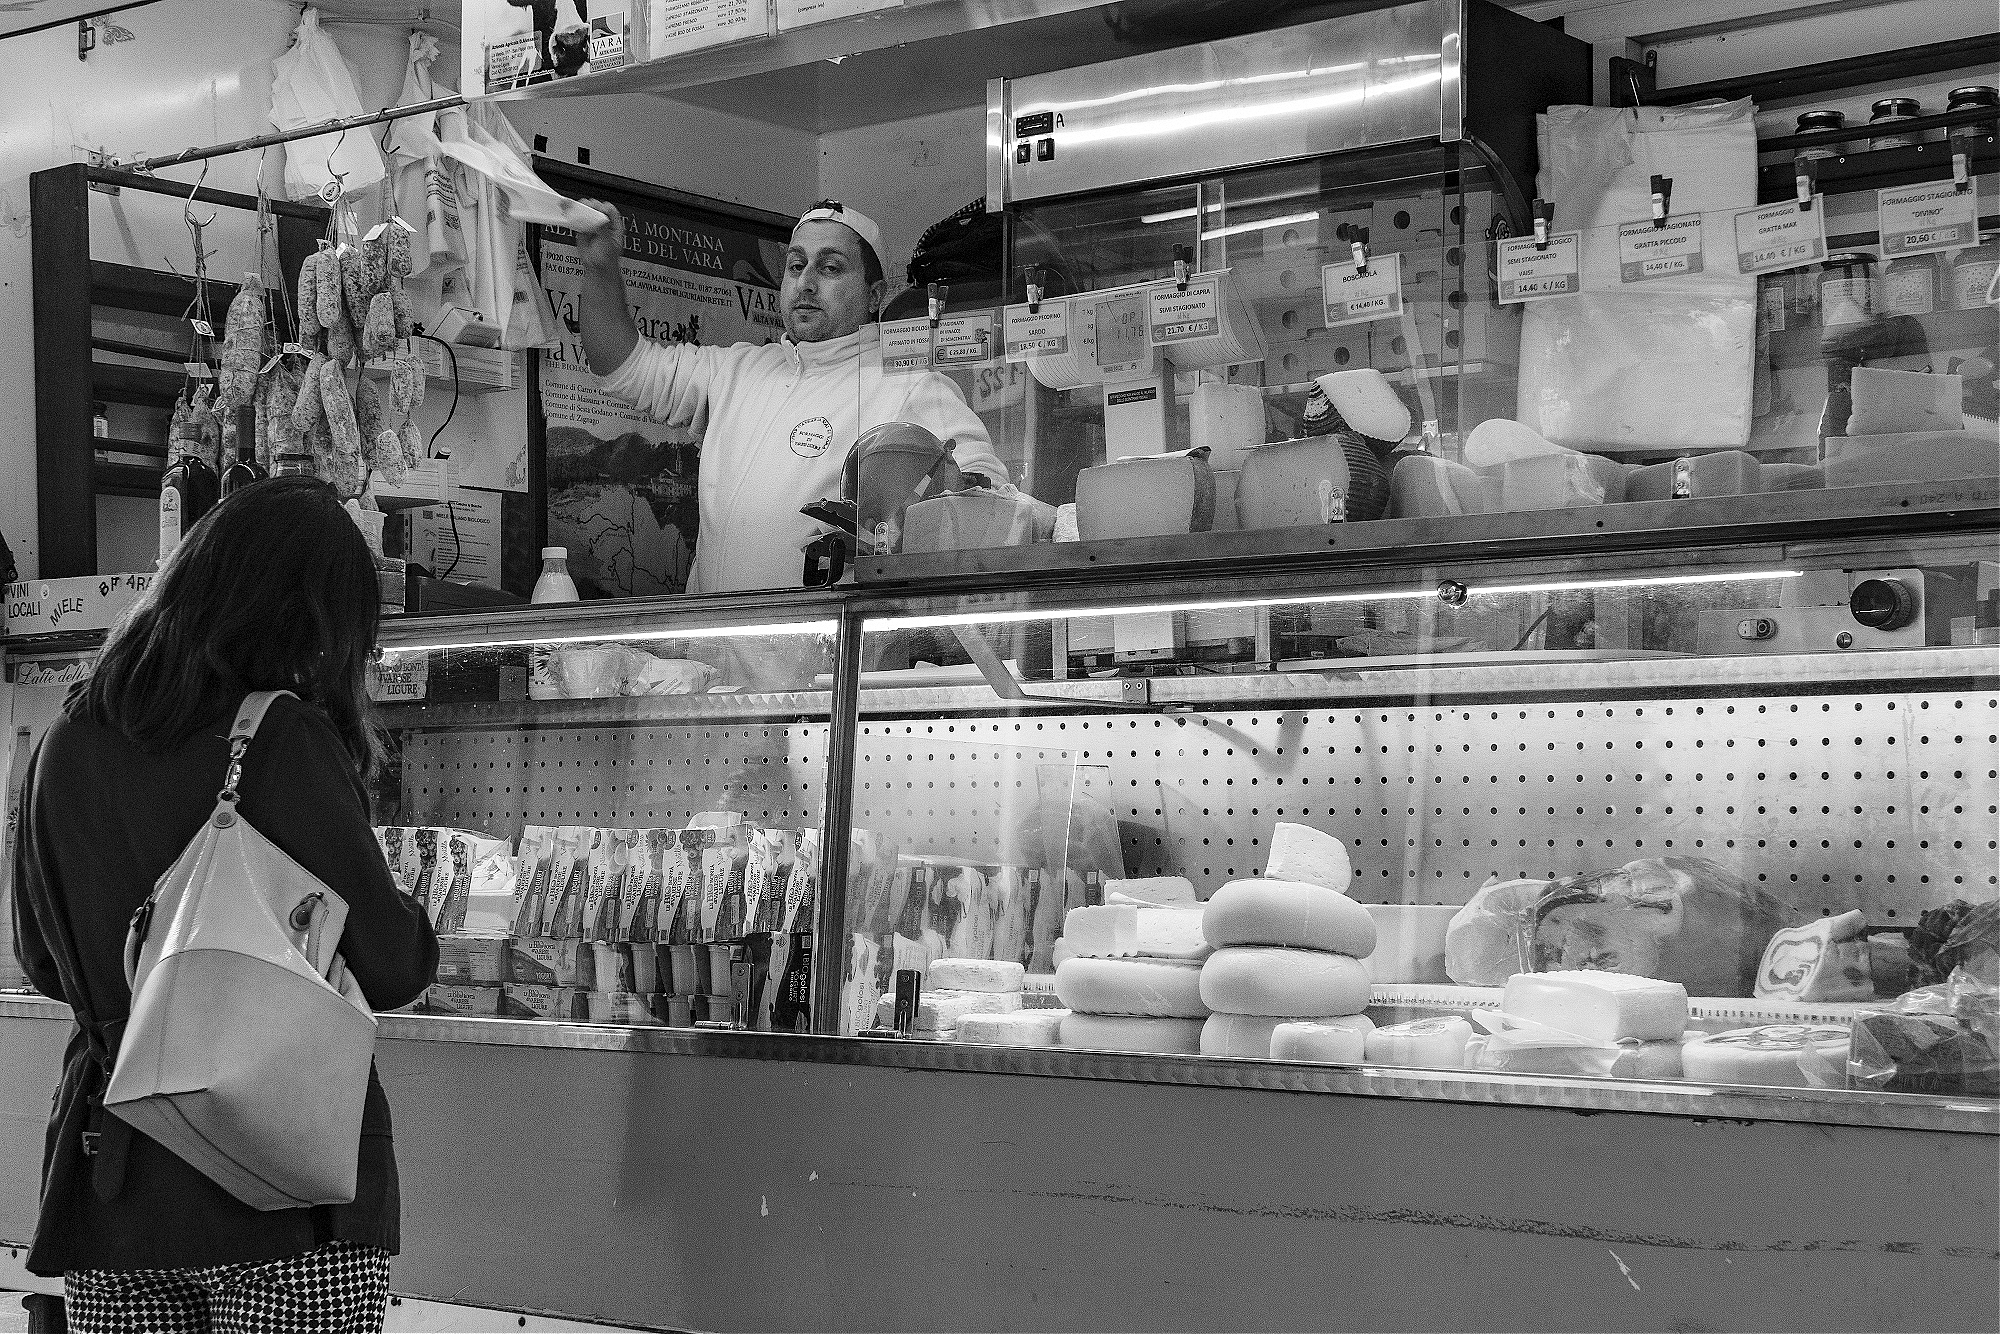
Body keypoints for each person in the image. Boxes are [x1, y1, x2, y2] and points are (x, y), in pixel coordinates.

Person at [11, 477, 438, 1334]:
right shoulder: (276, 737)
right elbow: (394, 967)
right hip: (282, 1191)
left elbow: (42, 962)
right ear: (310, 620)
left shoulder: (68, 737)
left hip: (115, 1184)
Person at [572, 197, 1011, 595]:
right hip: (711, 662)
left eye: (830, 267)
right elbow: (623, 366)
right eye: (796, 265)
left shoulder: (910, 384)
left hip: (825, 664)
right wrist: (599, 265)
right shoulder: (739, 371)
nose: (806, 282)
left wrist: (893, 536)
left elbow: (987, 505)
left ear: (874, 296)